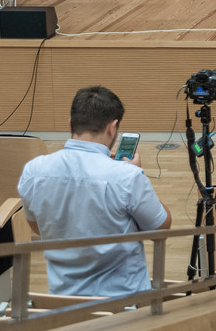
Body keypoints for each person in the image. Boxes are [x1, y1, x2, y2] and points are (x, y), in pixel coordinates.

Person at [16, 86, 171, 298]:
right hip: (124, 304)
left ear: (70, 125)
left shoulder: (33, 171)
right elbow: (161, 227)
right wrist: (138, 177)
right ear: (112, 128)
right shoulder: (127, 177)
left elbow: (37, 226)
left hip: (63, 302)